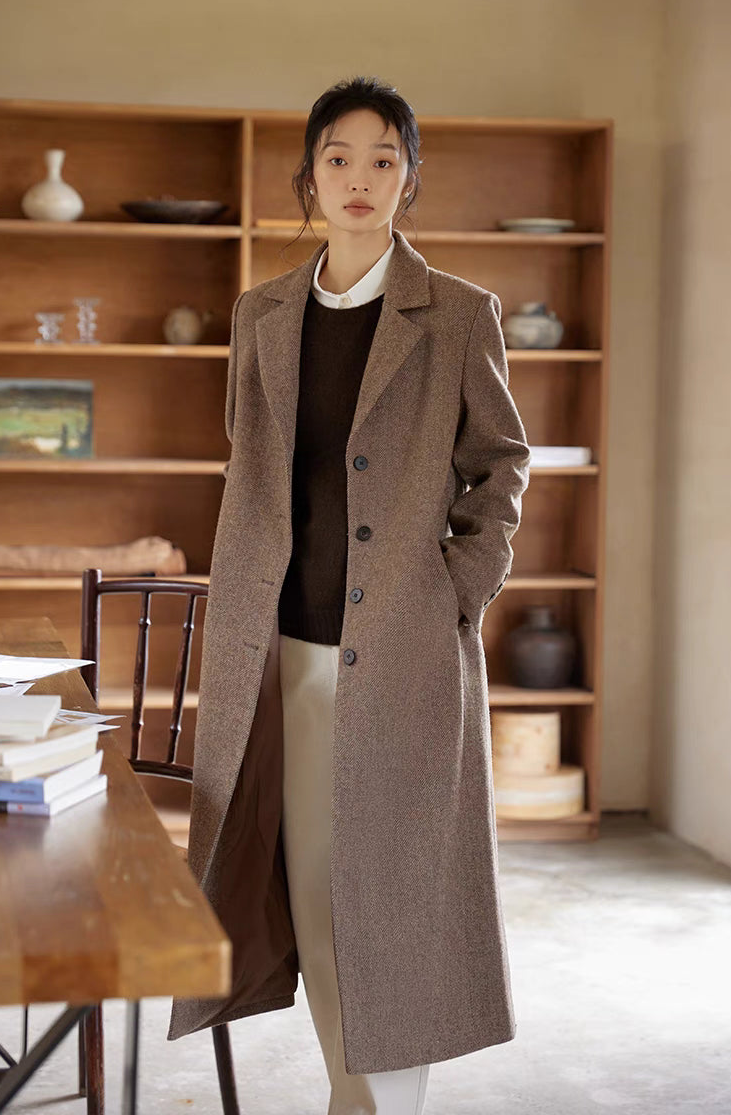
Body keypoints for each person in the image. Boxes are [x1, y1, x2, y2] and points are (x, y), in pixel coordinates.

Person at [168, 75, 531, 1115]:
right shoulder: (263, 314)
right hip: (276, 650)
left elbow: (501, 464)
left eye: (383, 158)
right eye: (339, 156)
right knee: (309, 893)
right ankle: (354, 1097)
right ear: (308, 177)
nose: (360, 176)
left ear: (408, 179)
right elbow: (250, 467)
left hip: (400, 654)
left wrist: (456, 589)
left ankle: (374, 1105)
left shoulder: (458, 314)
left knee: (387, 902)